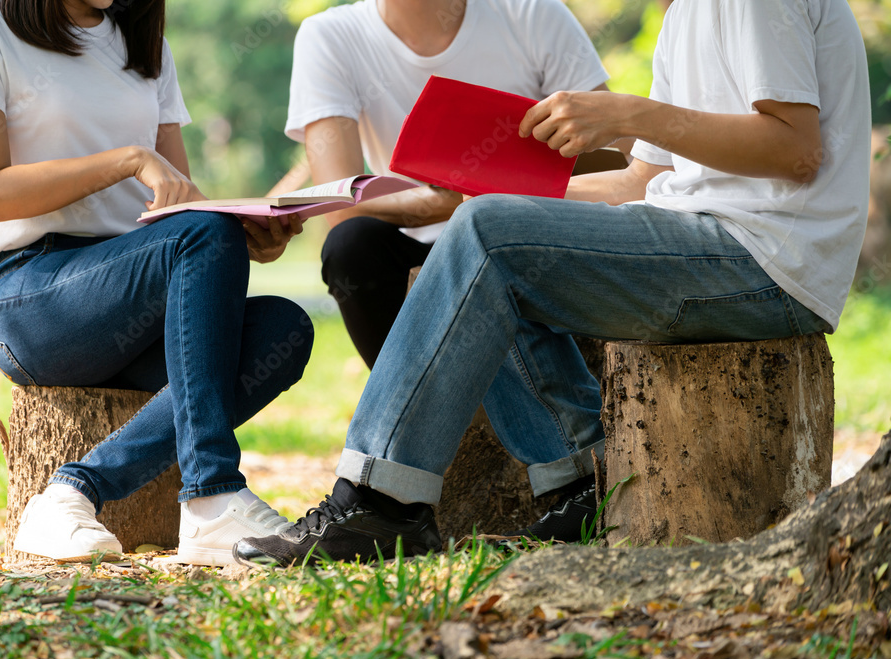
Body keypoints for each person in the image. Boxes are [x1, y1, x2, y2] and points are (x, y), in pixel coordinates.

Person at [234, 0, 872, 567]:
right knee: (492, 237)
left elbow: (795, 149)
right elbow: (636, 183)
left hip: (763, 261)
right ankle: (581, 487)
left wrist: (631, 113)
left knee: (491, 236)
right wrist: (485, 198)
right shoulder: (683, 13)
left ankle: (381, 500)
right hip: (709, 240)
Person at [0, 0, 311, 566]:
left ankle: (69, 494)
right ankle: (212, 496)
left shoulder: (144, 43)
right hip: (34, 294)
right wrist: (128, 160)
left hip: (140, 295)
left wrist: (249, 231)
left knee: (285, 327)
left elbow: (181, 201)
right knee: (200, 236)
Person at [284, 0, 631, 541]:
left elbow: (623, 155)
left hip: (528, 223)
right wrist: (442, 204)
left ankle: (574, 487)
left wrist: (507, 184)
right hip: (407, 230)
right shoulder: (331, 34)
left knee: (492, 235)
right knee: (351, 244)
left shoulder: (534, 15)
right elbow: (340, 193)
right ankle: (405, 450)